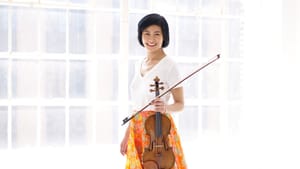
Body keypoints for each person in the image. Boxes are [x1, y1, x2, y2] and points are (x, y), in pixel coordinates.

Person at [120, 13, 187, 169]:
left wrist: (165, 107)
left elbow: (180, 104)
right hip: (137, 128)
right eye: (146, 33)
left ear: (164, 36)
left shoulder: (170, 66)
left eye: (157, 34)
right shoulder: (140, 63)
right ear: (140, 36)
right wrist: (126, 135)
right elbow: (137, 106)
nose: (151, 39)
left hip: (158, 130)